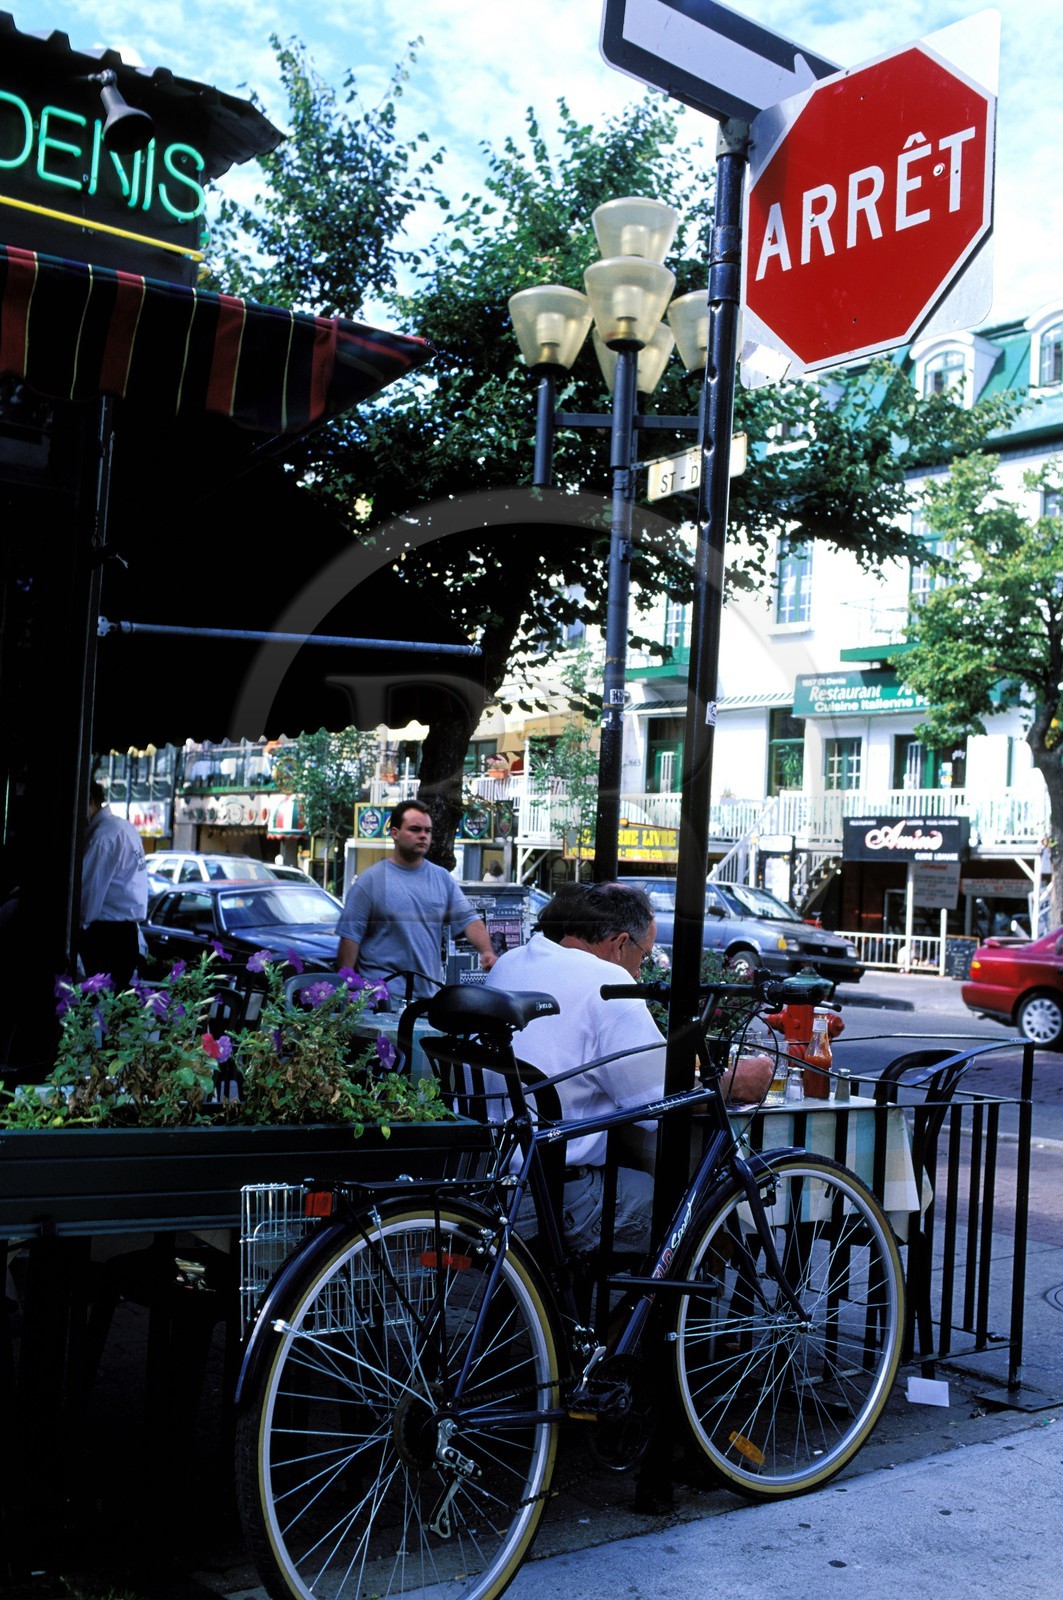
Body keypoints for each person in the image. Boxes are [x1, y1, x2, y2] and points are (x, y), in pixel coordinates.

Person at [485, 882, 773, 1256]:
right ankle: (651, 1317)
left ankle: (588, 1312)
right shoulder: (611, 983)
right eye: (644, 956)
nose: (641, 970)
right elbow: (666, 1097)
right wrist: (739, 1080)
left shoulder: (513, 961)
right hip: (555, 1193)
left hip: (492, 1174)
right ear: (621, 944)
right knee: (710, 1222)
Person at [336, 799, 497, 1006]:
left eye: (428, 831)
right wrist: (345, 993)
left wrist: (487, 951)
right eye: (415, 829)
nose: (423, 835)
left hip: (427, 999)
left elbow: (468, 920)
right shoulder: (371, 881)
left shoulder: (442, 878)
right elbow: (350, 939)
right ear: (395, 833)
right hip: (381, 1001)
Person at [79, 779, 149, 990]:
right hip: (124, 936)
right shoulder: (121, 827)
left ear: (89, 801)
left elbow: (85, 902)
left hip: (106, 939)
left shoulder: (103, 837)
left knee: (96, 1012)